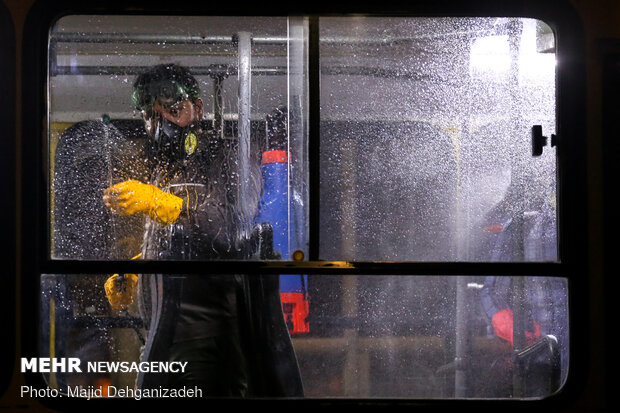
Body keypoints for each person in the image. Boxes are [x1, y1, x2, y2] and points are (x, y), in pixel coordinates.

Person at [102, 63, 303, 397]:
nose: (161, 125)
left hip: (204, 340)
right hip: (160, 332)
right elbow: (179, 242)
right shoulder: (164, 171)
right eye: (151, 117)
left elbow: (228, 232)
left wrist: (160, 203)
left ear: (197, 108)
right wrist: (138, 270)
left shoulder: (228, 157)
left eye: (174, 111)